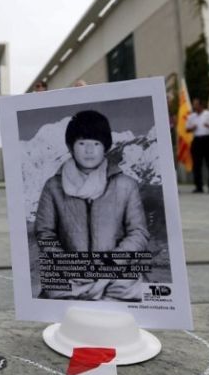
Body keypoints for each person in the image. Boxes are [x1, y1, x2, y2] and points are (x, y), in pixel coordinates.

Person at [35, 110, 150, 301]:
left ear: (105, 147)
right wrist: (69, 265)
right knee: (56, 295)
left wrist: (111, 263)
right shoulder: (53, 187)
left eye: (96, 143)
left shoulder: (125, 185)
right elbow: (45, 234)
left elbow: (138, 233)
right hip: (71, 277)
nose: (89, 150)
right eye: (82, 143)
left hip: (116, 276)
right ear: (71, 146)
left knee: (139, 293)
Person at [185, 98, 209, 193]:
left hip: (208, 139)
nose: (194, 106)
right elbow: (187, 129)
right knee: (196, 164)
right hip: (197, 140)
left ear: (201, 105)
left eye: (196, 104)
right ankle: (198, 186)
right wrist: (192, 128)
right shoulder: (191, 116)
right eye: (193, 104)